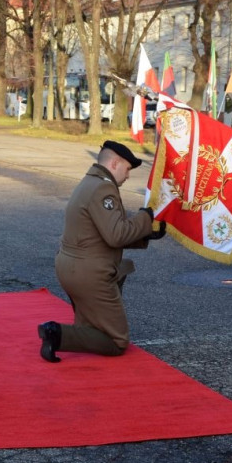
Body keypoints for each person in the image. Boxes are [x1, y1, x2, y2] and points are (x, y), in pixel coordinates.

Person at [38, 141, 165, 362]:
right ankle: (57, 334)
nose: (127, 176)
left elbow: (102, 234)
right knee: (116, 341)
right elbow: (116, 234)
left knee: (91, 324)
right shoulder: (104, 188)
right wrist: (146, 217)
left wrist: (146, 234)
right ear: (115, 163)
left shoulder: (90, 182)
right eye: (127, 169)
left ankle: (73, 333)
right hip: (88, 274)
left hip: (71, 268)